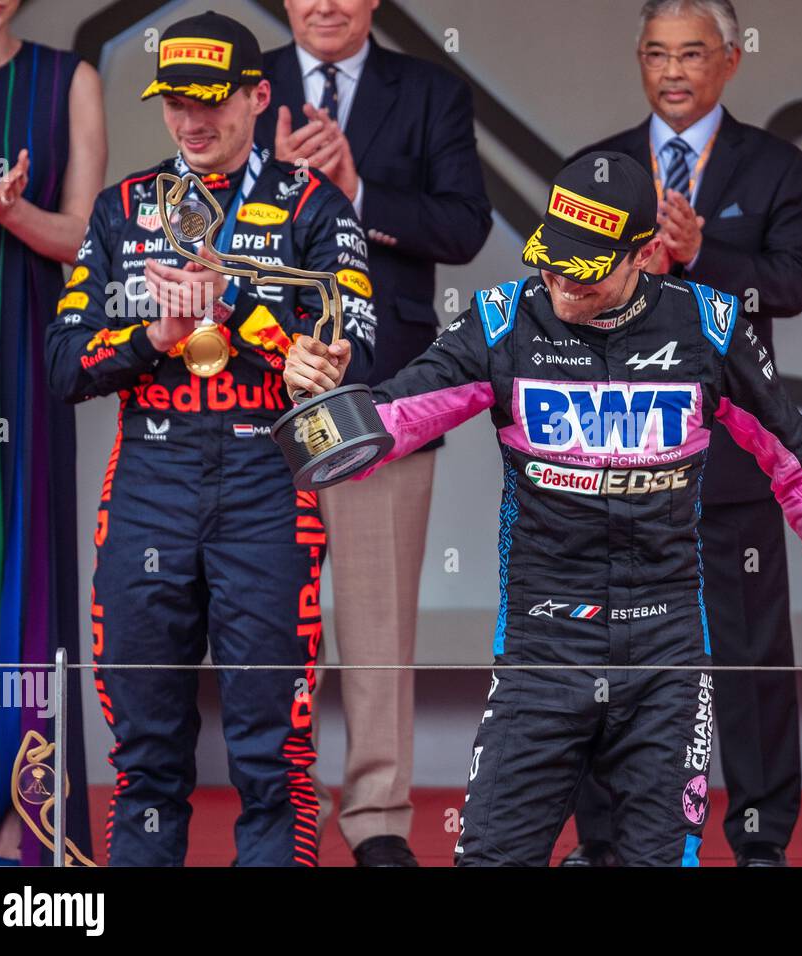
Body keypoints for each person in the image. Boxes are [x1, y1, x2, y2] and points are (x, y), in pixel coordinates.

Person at [285, 150, 802, 866]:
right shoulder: (504, 322)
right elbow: (390, 421)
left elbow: (799, 463)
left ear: (645, 253)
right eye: (552, 256)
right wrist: (314, 399)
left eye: (586, 266)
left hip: (666, 654)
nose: (561, 278)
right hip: (541, 651)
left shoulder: (709, 326)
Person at [45, 11, 375, 866]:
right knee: (147, 758)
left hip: (270, 486)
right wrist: (154, 337)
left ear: (260, 97)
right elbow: (63, 367)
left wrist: (234, 307)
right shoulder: (122, 211)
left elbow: (352, 355)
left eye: (213, 101)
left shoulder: (315, 204)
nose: (194, 121)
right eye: (176, 102)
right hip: (151, 484)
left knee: (273, 761)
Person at [563, 0, 802, 867]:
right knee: (609, 647)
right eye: (656, 53)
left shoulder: (778, 166)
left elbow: (792, 286)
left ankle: (758, 837)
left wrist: (705, 254)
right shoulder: (593, 168)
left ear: (732, 61)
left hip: (732, 454)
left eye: (692, 53)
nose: (673, 70)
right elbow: (562, 287)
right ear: (638, 60)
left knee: (748, 655)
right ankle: (606, 840)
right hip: (613, 449)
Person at [255, 0, 492, 868]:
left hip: (382, 387)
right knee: (262, 614)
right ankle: (274, 809)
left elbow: (466, 226)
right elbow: (185, 221)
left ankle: (379, 817)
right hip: (254, 388)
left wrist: (356, 188)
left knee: (378, 617)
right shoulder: (250, 84)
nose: (324, 3)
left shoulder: (431, 91)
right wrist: (267, 185)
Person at [0, 0, 105, 865]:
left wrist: (11, 214)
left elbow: (88, 238)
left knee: (25, 573)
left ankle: (23, 837)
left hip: (18, 359)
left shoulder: (67, 80)